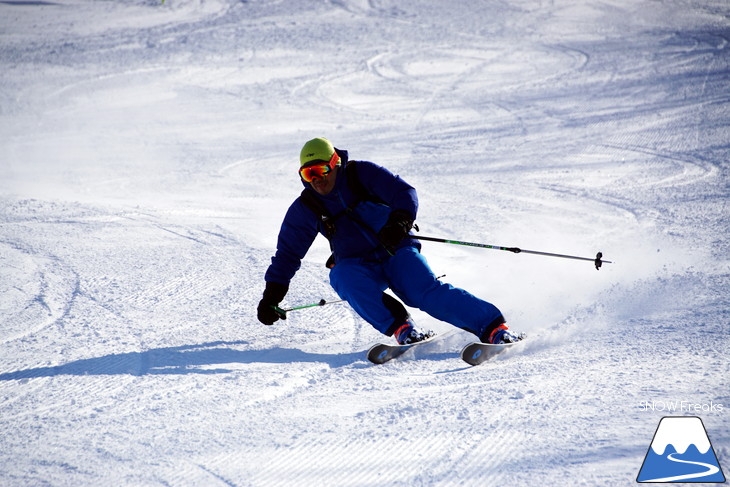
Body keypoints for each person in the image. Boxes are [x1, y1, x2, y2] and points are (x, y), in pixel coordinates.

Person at [257, 137, 521, 345]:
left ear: (335, 163)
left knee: (421, 291)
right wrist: (272, 295)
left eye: (321, 170)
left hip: (395, 249)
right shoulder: (307, 206)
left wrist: (400, 222)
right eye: (308, 174)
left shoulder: (362, 174)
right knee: (342, 276)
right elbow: (287, 254)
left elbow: (403, 192)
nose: (316, 180)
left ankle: (494, 328)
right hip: (357, 263)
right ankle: (402, 328)